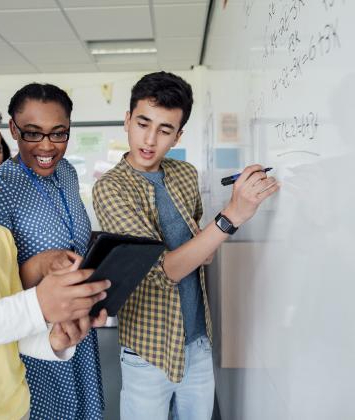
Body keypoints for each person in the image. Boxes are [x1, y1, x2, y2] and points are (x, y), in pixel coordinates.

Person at [92, 71, 279, 420]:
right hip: (149, 349)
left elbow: (202, 251)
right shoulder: (112, 188)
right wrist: (230, 217)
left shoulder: (185, 174)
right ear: (127, 120)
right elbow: (163, 271)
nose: (150, 140)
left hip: (197, 341)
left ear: (178, 135)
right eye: (142, 124)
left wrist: (211, 236)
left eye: (165, 130)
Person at [0, 89, 110, 419]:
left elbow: (10, 329)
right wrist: (39, 301)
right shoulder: (3, 193)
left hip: (12, 405)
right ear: (16, 129)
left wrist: (56, 339)